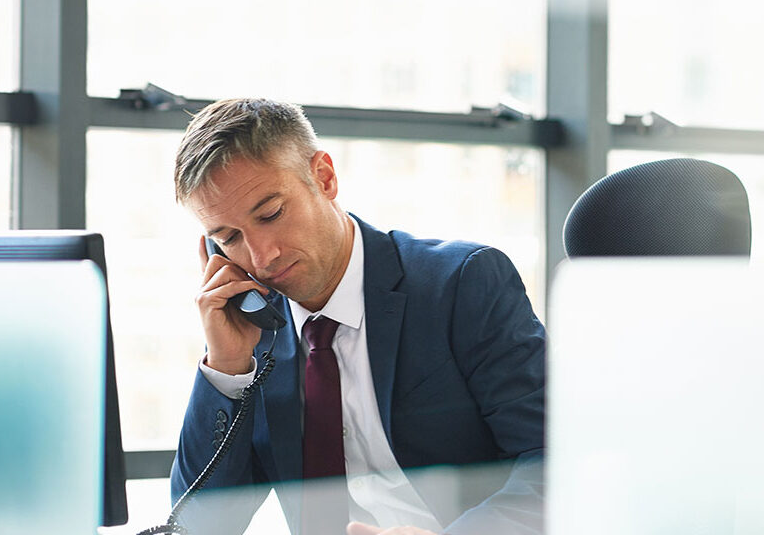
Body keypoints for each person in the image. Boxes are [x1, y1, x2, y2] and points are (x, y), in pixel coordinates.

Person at [169, 98, 545, 535]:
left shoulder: (460, 284)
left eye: (271, 214)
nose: (261, 256)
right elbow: (197, 527)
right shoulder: (254, 337)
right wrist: (227, 370)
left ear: (324, 177)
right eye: (229, 238)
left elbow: (553, 462)